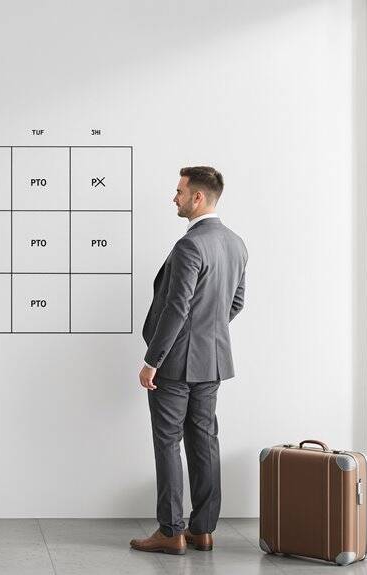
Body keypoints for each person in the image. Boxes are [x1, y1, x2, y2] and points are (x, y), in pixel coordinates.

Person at [130, 167, 248, 555]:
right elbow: (236, 303)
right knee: (205, 442)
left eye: (179, 191)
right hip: (212, 362)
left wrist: (153, 360)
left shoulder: (190, 246)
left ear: (198, 197)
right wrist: (206, 335)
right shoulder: (236, 244)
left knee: (168, 443)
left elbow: (176, 309)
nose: (174, 197)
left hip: (175, 364)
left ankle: (170, 531)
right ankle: (203, 530)